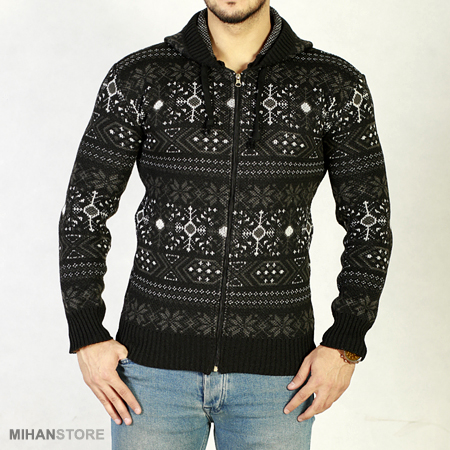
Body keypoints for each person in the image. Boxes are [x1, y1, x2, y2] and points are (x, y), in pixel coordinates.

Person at [59, 1, 392, 448]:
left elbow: (370, 224)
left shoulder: (335, 85)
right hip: (152, 374)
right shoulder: (139, 77)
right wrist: (86, 335)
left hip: (278, 379)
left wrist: (346, 344)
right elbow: (84, 210)